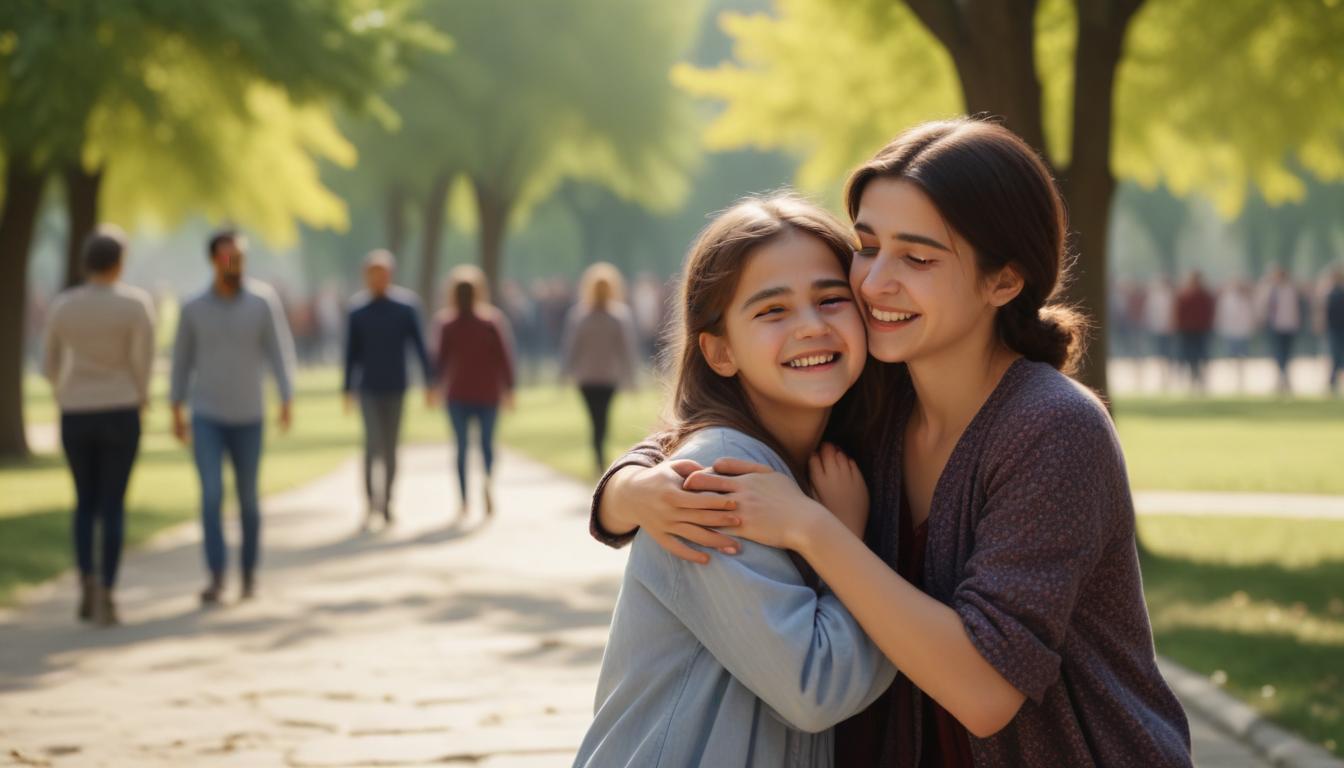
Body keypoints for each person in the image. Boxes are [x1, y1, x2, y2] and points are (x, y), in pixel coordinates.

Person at [590, 119, 1192, 766]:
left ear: (1004, 282)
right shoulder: (873, 401)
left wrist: (820, 532)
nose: (874, 282)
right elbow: (717, 426)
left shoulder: (1053, 429)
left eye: (918, 257)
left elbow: (986, 693)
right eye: (867, 245)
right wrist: (626, 490)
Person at [575, 194, 895, 767]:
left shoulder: (833, 455)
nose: (811, 327)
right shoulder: (717, 476)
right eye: (772, 311)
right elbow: (815, 689)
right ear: (720, 351)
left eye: (831, 299)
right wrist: (841, 536)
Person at [170, 230, 296, 605]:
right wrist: (176, 408)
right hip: (206, 414)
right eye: (228, 257)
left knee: (248, 498)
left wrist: (286, 396)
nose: (235, 263)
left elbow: (279, 350)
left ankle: (249, 573)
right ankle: (216, 574)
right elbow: (180, 361)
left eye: (240, 256)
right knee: (211, 495)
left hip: (249, 415)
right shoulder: (193, 308)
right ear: (213, 260)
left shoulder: (262, 302)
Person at [42, 225, 156, 626]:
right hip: (121, 406)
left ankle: (85, 581)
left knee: (83, 502)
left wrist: (65, 390)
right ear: (119, 262)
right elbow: (143, 360)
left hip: (76, 409)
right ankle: (108, 588)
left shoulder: (63, 306)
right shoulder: (135, 304)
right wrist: (142, 394)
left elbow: (49, 364)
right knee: (113, 505)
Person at [343, 250, 432, 528]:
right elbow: (351, 353)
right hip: (369, 387)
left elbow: (419, 346)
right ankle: (370, 502)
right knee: (372, 445)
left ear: (390, 275)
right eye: (373, 274)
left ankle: (388, 502)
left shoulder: (406, 307)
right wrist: (347, 388)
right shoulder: (357, 311)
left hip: (397, 386)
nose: (378, 279)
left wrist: (430, 381)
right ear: (366, 276)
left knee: (391, 448)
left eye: (383, 273)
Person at [432, 265, 514, 520]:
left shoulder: (447, 323)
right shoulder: (491, 321)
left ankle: (464, 500)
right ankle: (487, 479)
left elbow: (439, 360)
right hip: (488, 393)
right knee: (487, 444)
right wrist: (510, 388)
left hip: (457, 394)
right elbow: (504, 358)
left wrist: (433, 387)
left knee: (461, 447)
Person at [561, 262, 641, 474]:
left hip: (587, 377)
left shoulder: (581, 315)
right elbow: (627, 351)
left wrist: (565, 373)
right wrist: (631, 378)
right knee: (602, 418)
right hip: (607, 377)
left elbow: (571, 348)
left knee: (595, 419)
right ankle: (599, 454)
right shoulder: (618, 316)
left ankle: (597, 455)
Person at [1257, 265, 1302, 396]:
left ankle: (1284, 378)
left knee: (1287, 353)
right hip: (1275, 327)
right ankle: (1283, 378)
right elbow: (1263, 306)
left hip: (1290, 326)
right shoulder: (1271, 291)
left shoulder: (1292, 290)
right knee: (1278, 353)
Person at [1174, 270, 1216, 393]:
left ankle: (1201, 378)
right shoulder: (1184, 295)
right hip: (1187, 330)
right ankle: (1194, 378)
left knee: (1202, 355)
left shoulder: (1205, 295)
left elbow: (1210, 312)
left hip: (1201, 330)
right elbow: (1178, 312)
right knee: (1190, 356)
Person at [1214, 278, 1256, 393]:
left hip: (1243, 332)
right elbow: (1221, 315)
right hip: (1230, 332)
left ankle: (1240, 379)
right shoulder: (1226, 299)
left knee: (1242, 357)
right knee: (1231, 356)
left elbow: (1250, 316)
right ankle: (1231, 378)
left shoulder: (1247, 299)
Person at [1326, 267, 1344, 396]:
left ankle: (1333, 380)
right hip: (1334, 328)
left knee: (1338, 355)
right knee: (1336, 355)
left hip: (1338, 328)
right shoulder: (1330, 292)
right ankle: (1332, 380)